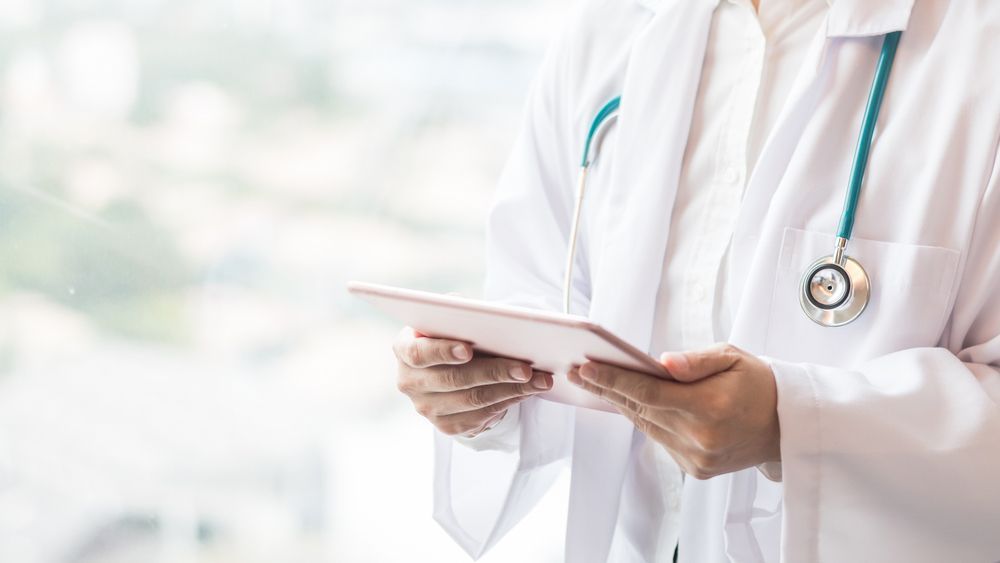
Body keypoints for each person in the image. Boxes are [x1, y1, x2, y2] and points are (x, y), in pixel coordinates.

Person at [393, 0, 1000, 561]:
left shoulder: (978, 47)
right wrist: (477, 387)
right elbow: (544, 290)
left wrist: (794, 424)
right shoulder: (610, 30)